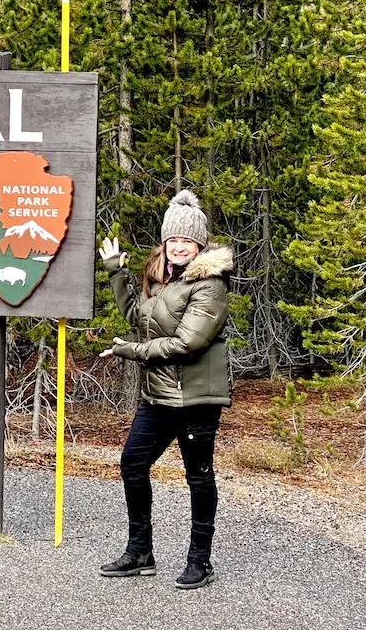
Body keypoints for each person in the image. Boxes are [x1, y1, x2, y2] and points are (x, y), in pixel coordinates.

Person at [97, 190, 233, 590]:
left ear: (199, 245)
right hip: (158, 397)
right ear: (165, 241)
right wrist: (115, 274)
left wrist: (129, 352)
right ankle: (140, 553)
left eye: (187, 241)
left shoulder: (210, 284)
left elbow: (187, 343)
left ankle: (199, 562)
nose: (179, 246)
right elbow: (138, 319)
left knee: (198, 477)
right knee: (132, 465)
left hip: (196, 400)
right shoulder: (160, 280)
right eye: (173, 239)